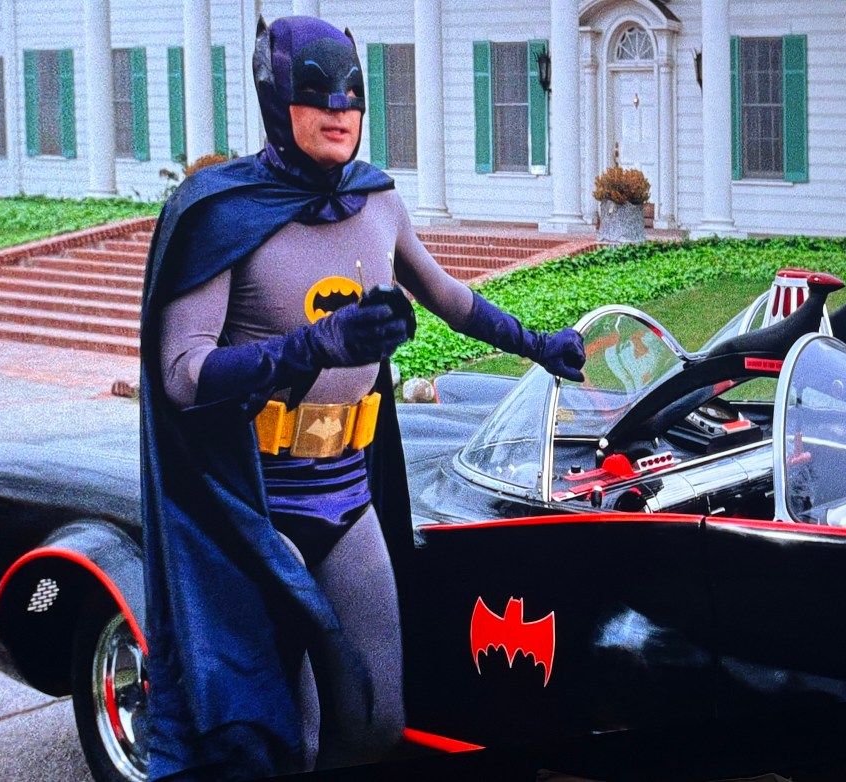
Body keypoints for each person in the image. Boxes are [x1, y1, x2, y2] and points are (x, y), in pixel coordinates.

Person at [138, 15, 585, 782]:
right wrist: (311, 347)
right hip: (253, 515)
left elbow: (450, 297)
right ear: (279, 102)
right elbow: (182, 373)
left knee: (375, 719)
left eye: (352, 93)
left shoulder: (376, 199)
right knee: (275, 737)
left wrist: (539, 344)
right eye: (316, 93)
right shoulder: (220, 213)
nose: (339, 110)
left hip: (348, 499)